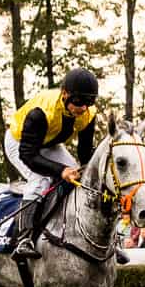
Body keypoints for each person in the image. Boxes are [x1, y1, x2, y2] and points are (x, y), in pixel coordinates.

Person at [6, 68, 100, 261]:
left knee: (77, 177)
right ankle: (23, 238)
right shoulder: (41, 112)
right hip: (20, 143)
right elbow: (29, 155)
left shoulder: (88, 114)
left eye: (89, 102)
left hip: (49, 143)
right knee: (40, 179)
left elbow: (84, 153)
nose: (83, 108)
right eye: (78, 102)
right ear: (64, 94)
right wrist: (60, 170)